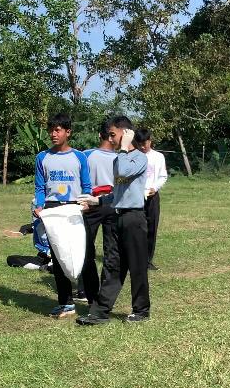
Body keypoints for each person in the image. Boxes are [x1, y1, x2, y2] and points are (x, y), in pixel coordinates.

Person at [77, 115, 149, 325]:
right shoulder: (121, 158)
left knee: (136, 266)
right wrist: (97, 201)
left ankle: (141, 310)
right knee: (112, 265)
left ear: (127, 134)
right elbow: (118, 191)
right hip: (117, 217)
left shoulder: (138, 158)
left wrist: (126, 147)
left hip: (133, 218)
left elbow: (123, 171)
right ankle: (99, 312)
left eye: (113, 134)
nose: (111, 139)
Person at [33, 113, 91, 319]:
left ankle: (88, 296)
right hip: (52, 209)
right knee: (57, 255)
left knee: (80, 251)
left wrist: (86, 202)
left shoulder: (79, 157)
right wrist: (39, 206)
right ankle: (65, 302)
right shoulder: (42, 158)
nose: (53, 134)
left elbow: (86, 186)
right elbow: (40, 187)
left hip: (75, 208)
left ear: (68, 132)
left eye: (57, 130)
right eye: (51, 130)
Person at [70, 119, 119, 320]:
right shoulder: (121, 157)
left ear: (100, 135)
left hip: (91, 204)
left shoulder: (86, 155)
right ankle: (101, 298)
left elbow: (80, 180)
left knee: (86, 250)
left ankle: (86, 292)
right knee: (111, 253)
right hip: (113, 203)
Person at [137, 128, 168, 270]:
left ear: (150, 141)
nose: (143, 147)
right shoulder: (134, 156)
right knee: (137, 228)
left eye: (145, 143)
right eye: (140, 144)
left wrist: (155, 188)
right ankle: (136, 258)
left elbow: (163, 176)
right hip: (137, 197)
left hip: (152, 196)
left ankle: (148, 260)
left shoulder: (158, 157)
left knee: (151, 227)